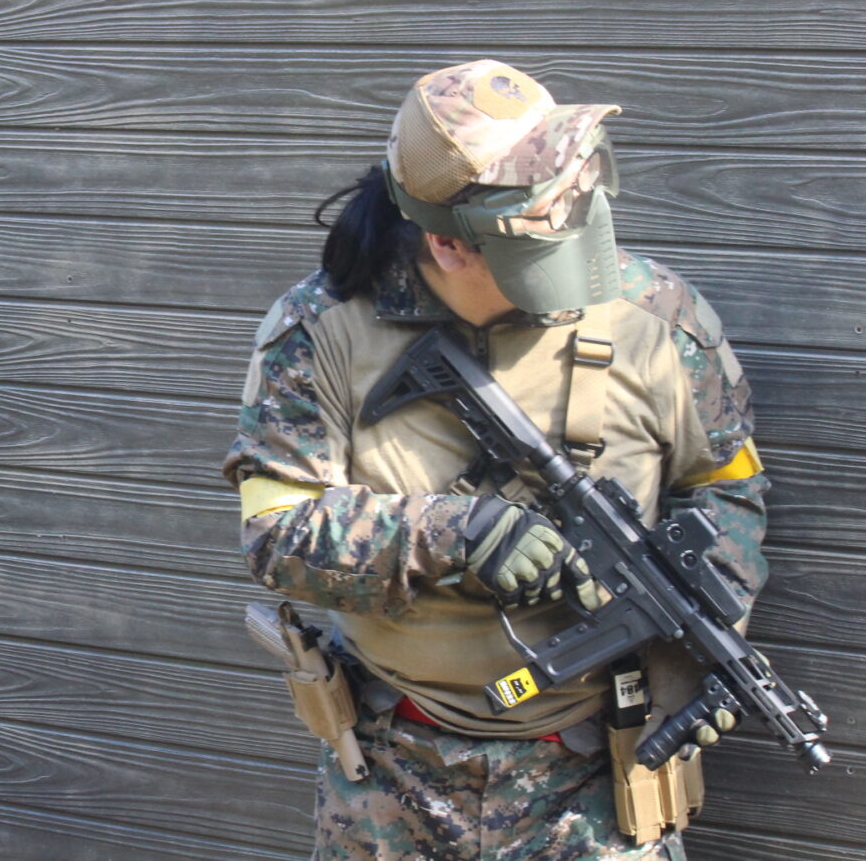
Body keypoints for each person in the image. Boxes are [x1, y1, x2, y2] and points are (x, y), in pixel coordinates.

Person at [223, 59, 767, 860]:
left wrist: (700, 646)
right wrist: (455, 535)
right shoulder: (321, 331)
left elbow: (728, 493)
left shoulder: (660, 321)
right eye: (545, 227)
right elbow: (276, 533)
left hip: (602, 778)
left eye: (578, 201)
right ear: (448, 243)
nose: (579, 236)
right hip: (389, 778)